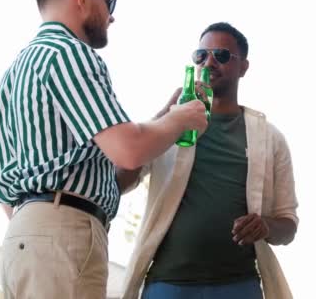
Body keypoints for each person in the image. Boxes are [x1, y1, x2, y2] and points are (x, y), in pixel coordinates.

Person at [0, 0, 207, 298]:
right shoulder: (70, 54)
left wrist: (164, 115)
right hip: (64, 235)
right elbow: (130, 150)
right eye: (109, 1)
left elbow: (4, 190)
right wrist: (182, 119)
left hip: (23, 237)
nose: (112, 15)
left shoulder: (12, 75)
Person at [122, 22, 299, 299]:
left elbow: (288, 226)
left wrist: (265, 225)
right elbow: (121, 179)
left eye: (222, 55)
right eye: (201, 55)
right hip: (167, 284)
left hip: (239, 285)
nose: (210, 61)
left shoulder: (269, 137)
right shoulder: (170, 125)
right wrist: (166, 114)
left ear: (244, 67)